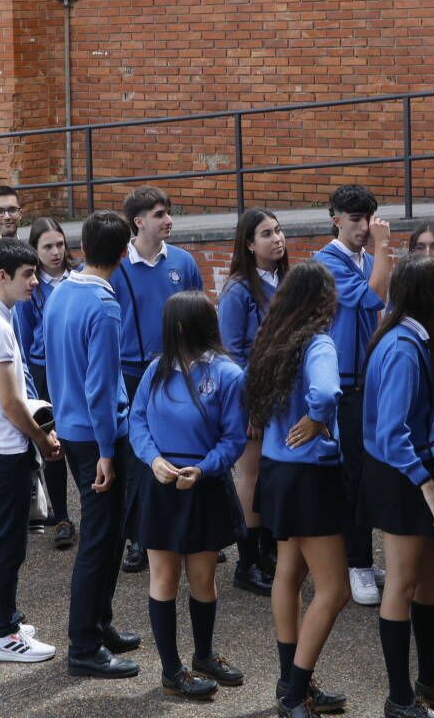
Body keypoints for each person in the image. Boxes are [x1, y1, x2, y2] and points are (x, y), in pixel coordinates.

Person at [361, 254, 434, 718]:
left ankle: (428, 680)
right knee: (403, 582)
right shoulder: (404, 346)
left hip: (419, 463)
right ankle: (400, 697)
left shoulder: (410, 333)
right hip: (404, 474)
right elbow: (391, 433)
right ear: (432, 297)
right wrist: (428, 487)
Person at [130, 292, 247, 700]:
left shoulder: (229, 375)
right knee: (163, 576)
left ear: (179, 326)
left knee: (202, 578)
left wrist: (204, 468)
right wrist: (153, 460)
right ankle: (171, 670)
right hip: (162, 485)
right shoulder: (155, 370)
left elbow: (234, 437)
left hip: (203, 486)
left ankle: (204, 655)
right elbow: (137, 419)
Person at [246, 262, 352, 716]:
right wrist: (317, 418)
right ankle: (295, 692)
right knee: (335, 589)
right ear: (324, 301)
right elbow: (327, 392)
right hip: (309, 476)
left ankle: (290, 680)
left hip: (277, 471)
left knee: (289, 574)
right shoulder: (318, 341)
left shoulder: (274, 340)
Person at [43, 210, 143, 680]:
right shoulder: (104, 305)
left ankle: (100, 625)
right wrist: (107, 449)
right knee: (99, 542)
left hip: (73, 426)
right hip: (98, 435)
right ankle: (83, 645)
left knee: (107, 537)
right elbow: (102, 387)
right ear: (124, 253)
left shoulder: (61, 290)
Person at [0, 237, 63, 664]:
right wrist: (43, 439)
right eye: (27, 275)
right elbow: (10, 402)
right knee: (6, 543)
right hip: (3, 449)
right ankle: (3, 632)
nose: (35, 282)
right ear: (2, 276)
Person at [113, 186, 204, 574]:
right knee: (139, 457)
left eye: (168, 213)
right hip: (134, 372)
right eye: (160, 214)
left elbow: (199, 315)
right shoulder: (117, 267)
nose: (168, 220)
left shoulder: (183, 262)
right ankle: (139, 538)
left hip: (179, 371)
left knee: (186, 448)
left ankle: (198, 531)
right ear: (138, 221)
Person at [315, 184, 394, 608]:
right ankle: (356, 563)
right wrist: (384, 248)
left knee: (370, 471)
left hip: (369, 378)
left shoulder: (364, 258)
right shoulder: (328, 261)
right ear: (335, 219)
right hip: (344, 381)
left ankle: (362, 557)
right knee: (352, 474)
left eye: (368, 219)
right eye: (355, 219)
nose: (364, 228)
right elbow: (374, 297)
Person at [218, 206, 287, 596]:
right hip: (253, 397)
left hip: (284, 395)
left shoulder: (285, 279)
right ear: (248, 243)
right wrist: (253, 404)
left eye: (278, 231)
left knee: (273, 473)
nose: (276, 239)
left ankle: (267, 550)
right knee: (253, 474)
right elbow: (231, 353)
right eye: (266, 234)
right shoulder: (238, 290)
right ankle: (247, 562)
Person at [21, 218, 74, 547]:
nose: (55, 252)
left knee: (82, 441)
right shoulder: (31, 287)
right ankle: (63, 516)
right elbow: (25, 342)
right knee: (51, 443)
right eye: (47, 247)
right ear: (35, 251)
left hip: (73, 369)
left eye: (59, 245)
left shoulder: (79, 278)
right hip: (43, 371)